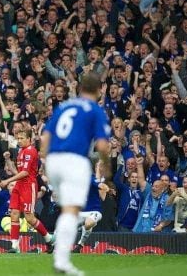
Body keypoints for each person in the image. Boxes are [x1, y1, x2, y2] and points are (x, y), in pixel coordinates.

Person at [41, 73, 110, 276]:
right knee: (71, 211)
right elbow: (102, 144)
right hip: (74, 159)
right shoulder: (95, 110)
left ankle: (60, 257)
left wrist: (46, 163)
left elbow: (45, 136)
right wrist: (106, 164)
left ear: (80, 89)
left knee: (66, 210)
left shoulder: (64, 107)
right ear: (99, 91)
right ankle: (62, 261)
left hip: (53, 160)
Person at [0, 130, 54, 253]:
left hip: (28, 186)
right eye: (18, 138)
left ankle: (49, 239)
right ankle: (15, 246)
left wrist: (7, 181)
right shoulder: (21, 151)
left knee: (29, 218)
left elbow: (25, 173)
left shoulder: (30, 151)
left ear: (29, 139)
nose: (19, 140)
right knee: (14, 213)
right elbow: (17, 172)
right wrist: (8, 160)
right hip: (19, 185)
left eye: (22, 138)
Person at [72, 174, 109, 253]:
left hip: (94, 211)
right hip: (81, 212)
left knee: (88, 224)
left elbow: (101, 186)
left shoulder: (90, 178)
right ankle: (79, 246)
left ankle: (81, 226)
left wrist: (105, 187)